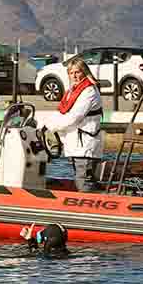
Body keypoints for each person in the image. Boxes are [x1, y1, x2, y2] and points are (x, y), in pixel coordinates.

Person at [39, 54, 104, 190]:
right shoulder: (71, 91)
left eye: (77, 72)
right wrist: (43, 126)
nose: (74, 76)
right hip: (75, 143)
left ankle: (87, 206)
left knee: (84, 179)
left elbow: (73, 117)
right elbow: (60, 112)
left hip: (84, 144)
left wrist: (51, 127)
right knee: (80, 176)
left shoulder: (89, 91)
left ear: (84, 72)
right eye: (71, 73)